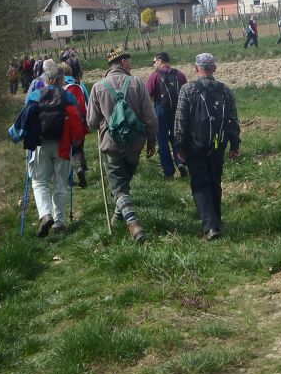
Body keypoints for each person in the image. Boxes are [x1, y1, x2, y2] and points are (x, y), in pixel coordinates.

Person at [87, 47, 158, 242]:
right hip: (135, 143)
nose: (132, 65)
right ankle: (131, 222)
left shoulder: (98, 87)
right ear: (122, 62)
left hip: (112, 145)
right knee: (123, 184)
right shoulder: (137, 83)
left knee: (120, 186)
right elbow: (151, 118)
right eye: (130, 61)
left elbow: (91, 122)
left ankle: (130, 222)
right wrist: (152, 140)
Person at [174, 53, 241, 241]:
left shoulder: (187, 90)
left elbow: (180, 121)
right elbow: (232, 120)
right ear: (215, 69)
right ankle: (216, 221)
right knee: (214, 180)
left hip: (195, 145)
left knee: (200, 183)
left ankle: (210, 226)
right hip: (218, 144)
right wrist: (235, 144)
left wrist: (179, 146)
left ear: (196, 69)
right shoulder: (226, 91)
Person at [26, 65, 85, 236]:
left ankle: (45, 215)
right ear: (61, 79)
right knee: (60, 182)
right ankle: (59, 222)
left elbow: (27, 118)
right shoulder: (68, 97)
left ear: (46, 79)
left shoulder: (36, 95)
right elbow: (78, 118)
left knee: (39, 182)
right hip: (63, 145)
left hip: (40, 144)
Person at [145, 52, 188, 180]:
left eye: (154, 62)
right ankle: (180, 162)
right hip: (178, 111)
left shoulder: (155, 76)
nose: (153, 64)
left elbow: (148, 95)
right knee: (177, 138)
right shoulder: (180, 75)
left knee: (162, 141)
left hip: (160, 111)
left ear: (159, 61)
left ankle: (168, 172)